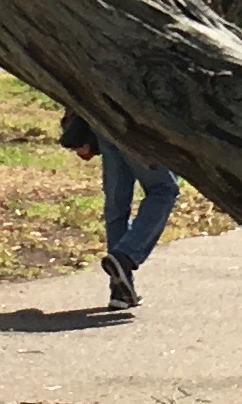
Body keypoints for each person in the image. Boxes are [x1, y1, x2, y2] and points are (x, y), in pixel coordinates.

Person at [55, 110, 178, 311]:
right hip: (136, 123)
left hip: (103, 123)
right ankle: (126, 256)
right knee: (163, 190)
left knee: (117, 206)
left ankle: (120, 290)